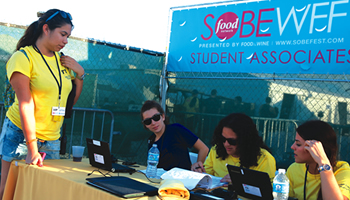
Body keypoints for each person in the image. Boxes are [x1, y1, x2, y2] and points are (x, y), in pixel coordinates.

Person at [0, 9, 84, 199]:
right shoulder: (23, 57)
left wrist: (81, 75)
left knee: (43, 193)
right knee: (9, 190)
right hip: (21, 136)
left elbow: (68, 101)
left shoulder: (62, 61)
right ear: (46, 29)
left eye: (68, 36)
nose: (66, 41)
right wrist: (32, 148)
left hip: (52, 139)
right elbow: (25, 104)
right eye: (63, 34)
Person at [192, 113, 276, 184]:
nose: (226, 144)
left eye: (232, 141)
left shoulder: (265, 159)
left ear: (245, 140)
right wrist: (198, 171)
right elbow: (207, 177)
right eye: (223, 139)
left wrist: (242, 183)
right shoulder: (217, 149)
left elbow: (267, 193)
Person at [286, 120, 350, 200]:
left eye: (298, 144)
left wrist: (322, 162)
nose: (292, 147)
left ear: (316, 148)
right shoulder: (294, 169)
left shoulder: (342, 170)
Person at [141, 100, 209, 170]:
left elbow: (204, 148)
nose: (153, 123)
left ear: (163, 116)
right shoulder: (151, 140)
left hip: (181, 179)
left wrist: (198, 166)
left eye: (156, 117)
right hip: (161, 179)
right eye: (148, 121)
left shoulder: (176, 130)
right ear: (145, 125)